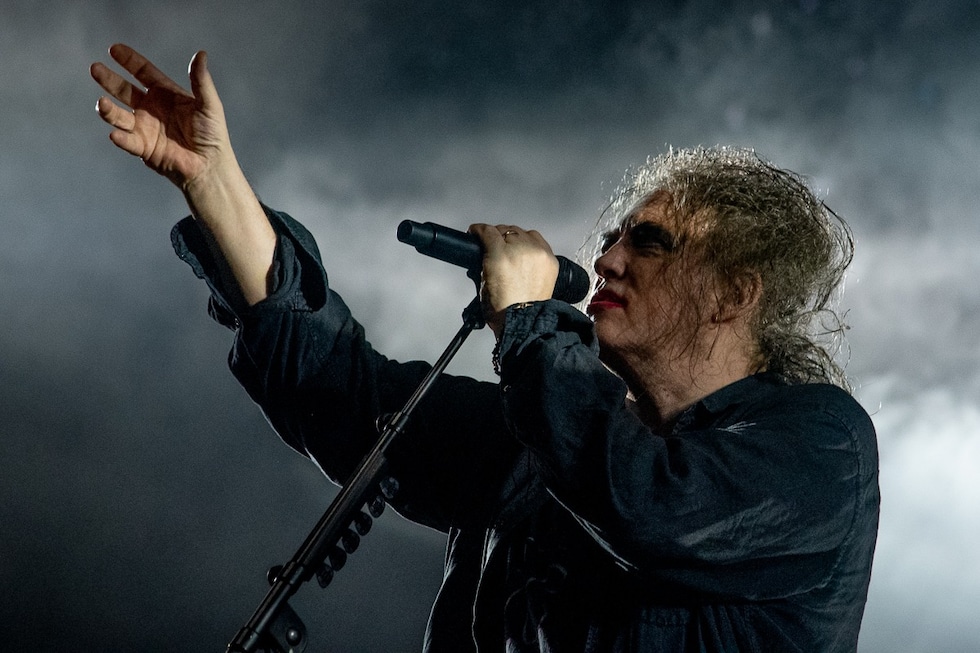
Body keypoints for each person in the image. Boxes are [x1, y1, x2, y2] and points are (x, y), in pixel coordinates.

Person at [91, 43, 879, 652]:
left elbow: (648, 503)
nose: (606, 261)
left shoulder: (820, 448)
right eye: (608, 239)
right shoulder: (542, 438)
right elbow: (342, 393)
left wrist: (532, 324)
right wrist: (217, 186)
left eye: (650, 243)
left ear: (735, 292)